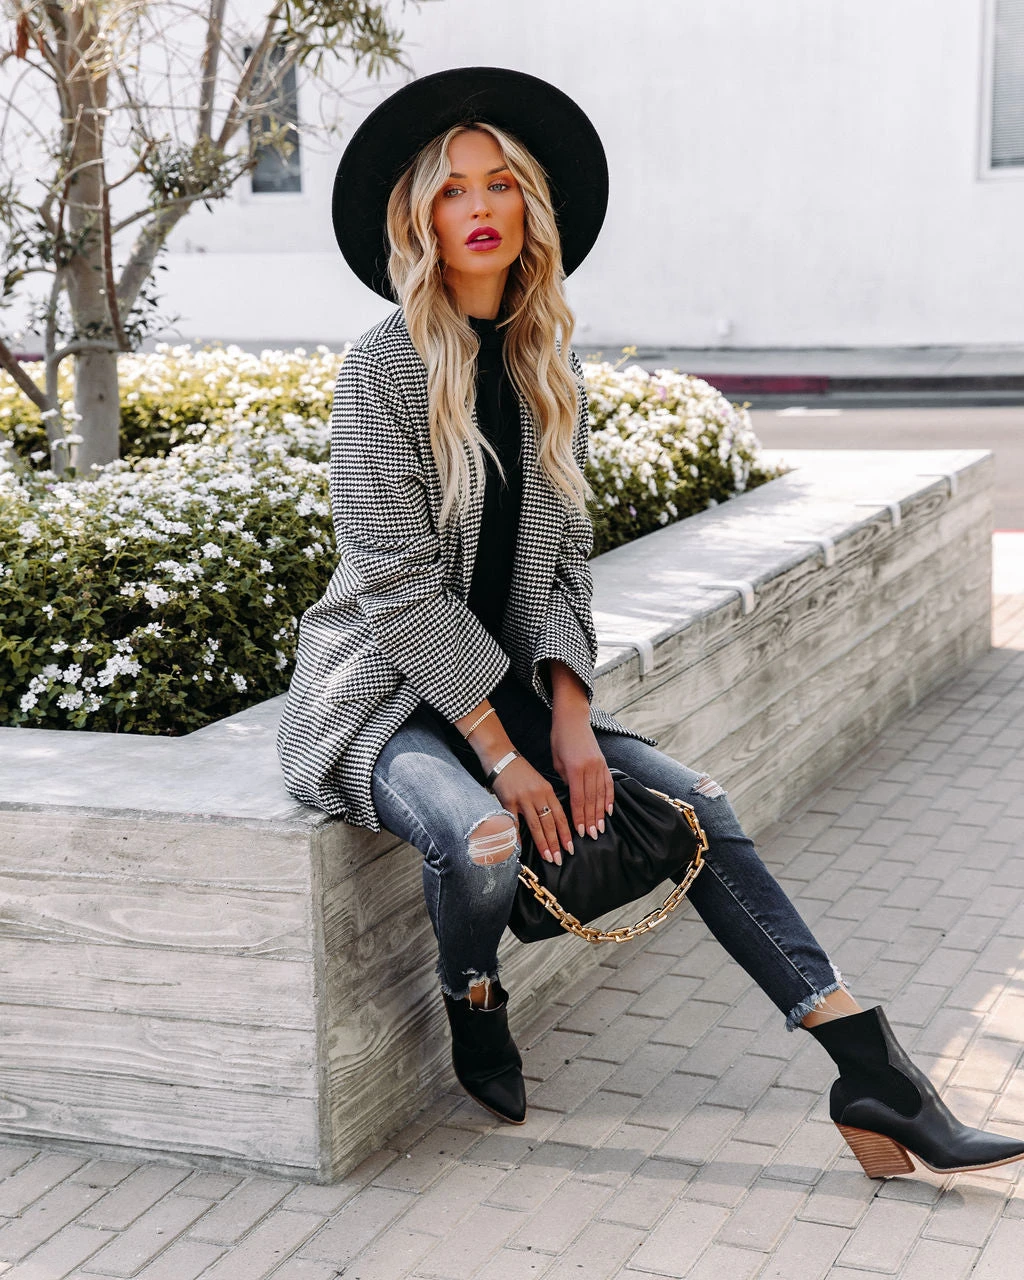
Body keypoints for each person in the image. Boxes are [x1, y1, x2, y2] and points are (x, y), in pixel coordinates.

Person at [277, 66, 1024, 1180]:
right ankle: (473, 993)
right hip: (384, 693)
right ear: (421, 217)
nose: (479, 208)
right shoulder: (380, 368)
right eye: (452, 190)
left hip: (508, 684)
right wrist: (502, 755)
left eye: (499, 185)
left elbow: (561, 563)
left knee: (699, 807)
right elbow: (393, 583)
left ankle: (867, 1066)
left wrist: (571, 719)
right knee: (480, 836)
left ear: (529, 207)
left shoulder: (544, 356)